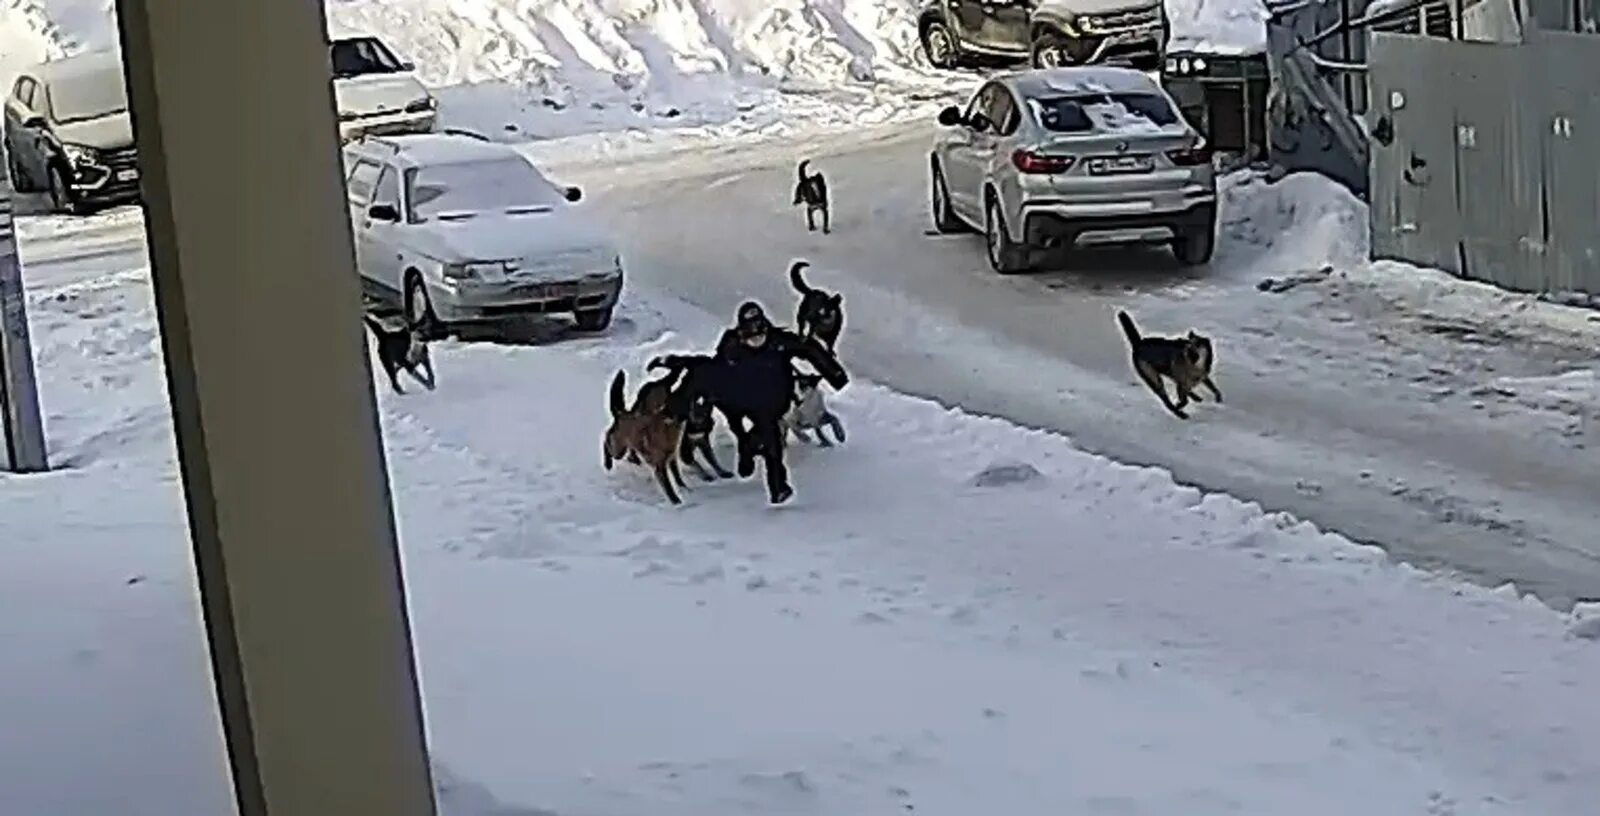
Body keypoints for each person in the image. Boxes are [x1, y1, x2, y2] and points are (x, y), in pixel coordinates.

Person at [654, 301, 847, 503]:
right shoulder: (731, 345)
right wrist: (676, 399)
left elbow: (810, 349)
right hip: (738, 398)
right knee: (708, 387)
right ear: (741, 334)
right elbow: (708, 368)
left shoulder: (779, 342)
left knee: (772, 445)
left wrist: (835, 374)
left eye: (760, 335)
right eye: (751, 337)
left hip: (770, 402)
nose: (756, 340)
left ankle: (778, 487)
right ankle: (743, 446)